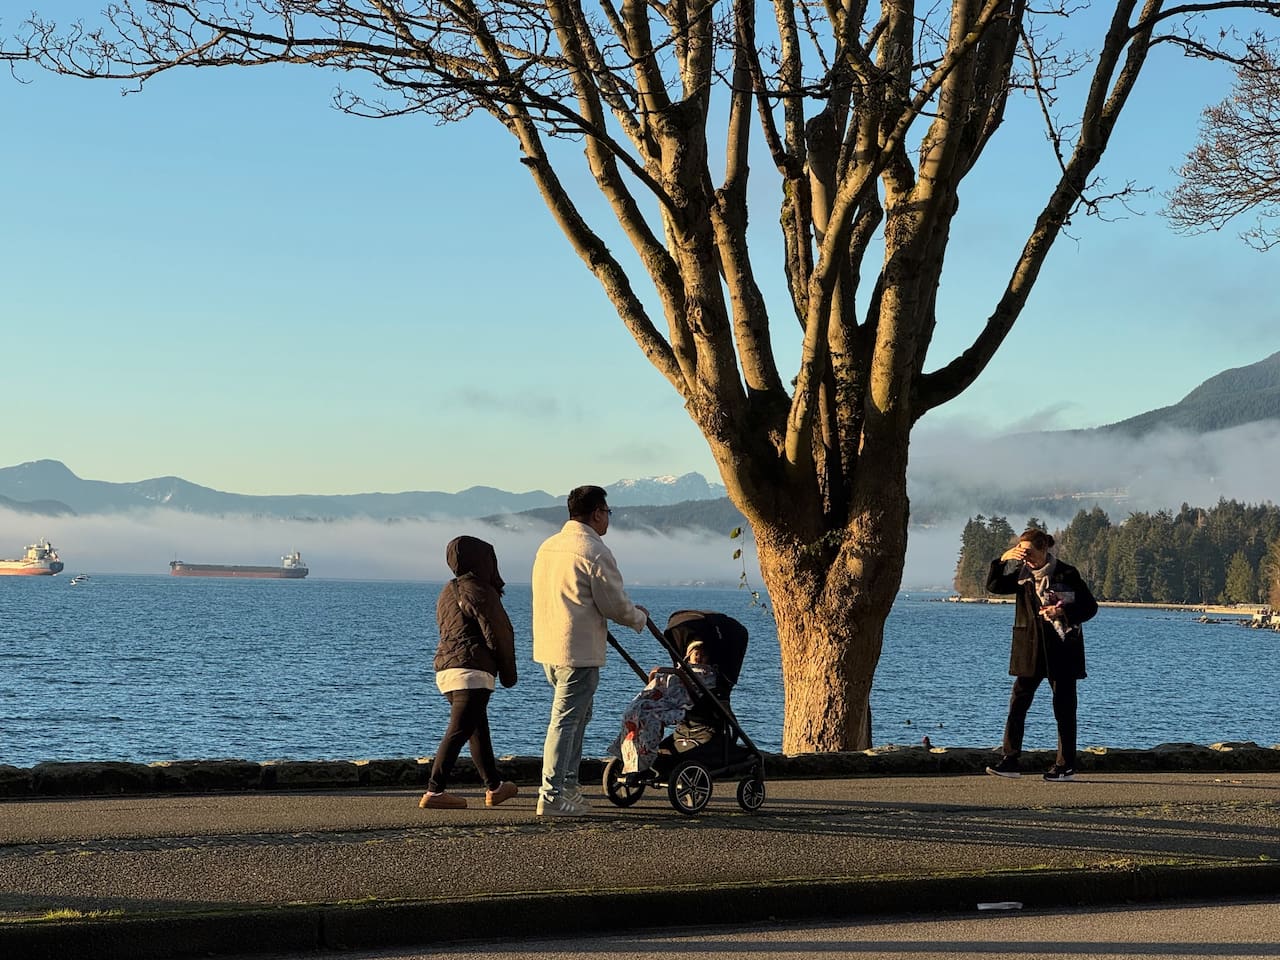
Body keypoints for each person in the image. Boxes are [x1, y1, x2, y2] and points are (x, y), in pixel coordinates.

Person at [532, 485, 648, 816]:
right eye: (607, 512)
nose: (608, 519)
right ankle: (552, 794)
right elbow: (614, 604)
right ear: (597, 513)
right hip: (578, 650)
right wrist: (638, 617)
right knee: (566, 721)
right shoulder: (594, 551)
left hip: (549, 646)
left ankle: (569, 786)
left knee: (577, 717)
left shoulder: (548, 547)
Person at [984, 528, 1098, 783]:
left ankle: (1065, 765)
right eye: (1020, 551)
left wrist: (1063, 613)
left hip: (1062, 649)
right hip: (1030, 649)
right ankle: (1010, 760)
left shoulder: (1067, 573)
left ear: (1044, 549)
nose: (1024, 557)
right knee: (1018, 703)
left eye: (1028, 552)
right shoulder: (1021, 575)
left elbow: (1090, 607)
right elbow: (994, 586)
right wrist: (1002, 560)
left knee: (1064, 708)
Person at [419, 535, 519, 810]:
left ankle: (495, 787)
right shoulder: (480, 589)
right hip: (472, 671)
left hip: (446, 670)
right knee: (460, 729)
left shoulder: (447, 591)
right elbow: (499, 633)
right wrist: (509, 675)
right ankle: (434, 791)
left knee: (476, 728)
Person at [612, 640, 718, 777]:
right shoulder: (681, 669)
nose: (699, 658)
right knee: (634, 711)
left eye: (703, 655)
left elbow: (701, 688)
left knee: (651, 718)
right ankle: (629, 751)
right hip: (666, 699)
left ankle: (646, 757)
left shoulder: (707, 673)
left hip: (683, 703)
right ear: (689, 655)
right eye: (697, 654)